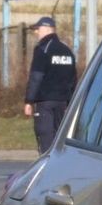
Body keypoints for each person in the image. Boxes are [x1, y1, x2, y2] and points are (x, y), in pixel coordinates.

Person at [24, 16, 76, 154]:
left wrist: (29, 101)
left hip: (45, 102)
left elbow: (36, 76)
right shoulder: (67, 50)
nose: (36, 32)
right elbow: (72, 79)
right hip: (63, 103)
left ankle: (46, 168)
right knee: (60, 140)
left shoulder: (42, 49)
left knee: (45, 138)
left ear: (47, 29)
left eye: (38, 29)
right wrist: (71, 102)